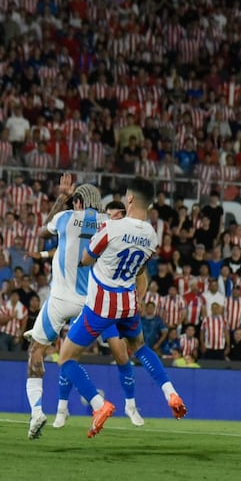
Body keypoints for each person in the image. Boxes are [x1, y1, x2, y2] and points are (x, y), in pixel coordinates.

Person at [57, 177, 187, 438]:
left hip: (102, 304)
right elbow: (139, 269)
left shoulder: (110, 228)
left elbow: (85, 259)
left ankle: (98, 403)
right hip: (128, 302)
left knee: (66, 358)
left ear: (128, 199)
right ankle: (170, 391)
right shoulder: (151, 235)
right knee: (140, 347)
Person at [24, 178, 144, 440]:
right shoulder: (108, 225)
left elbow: (44, 233)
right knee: (72, 357)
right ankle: (97, 405)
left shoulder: (66, 217)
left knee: (36, 352)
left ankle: (38, 412)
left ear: (76, 202)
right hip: (93, 303)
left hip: (60, 300)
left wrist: (62, 197)